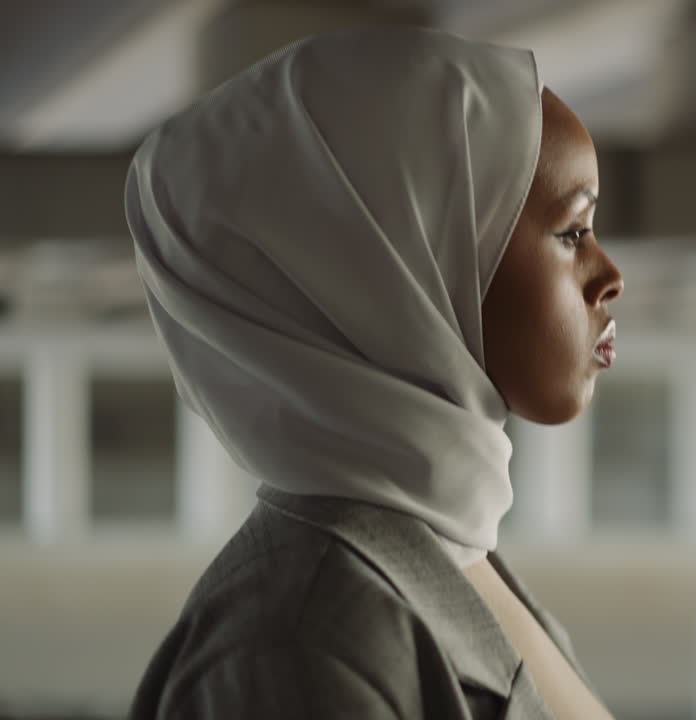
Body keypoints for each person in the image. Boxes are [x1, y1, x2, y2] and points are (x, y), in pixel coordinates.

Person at [123, 25, 623, 719]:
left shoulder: (447, 550)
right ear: (405, 264)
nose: (611, 277)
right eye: (573, 232)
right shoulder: (298, 649)